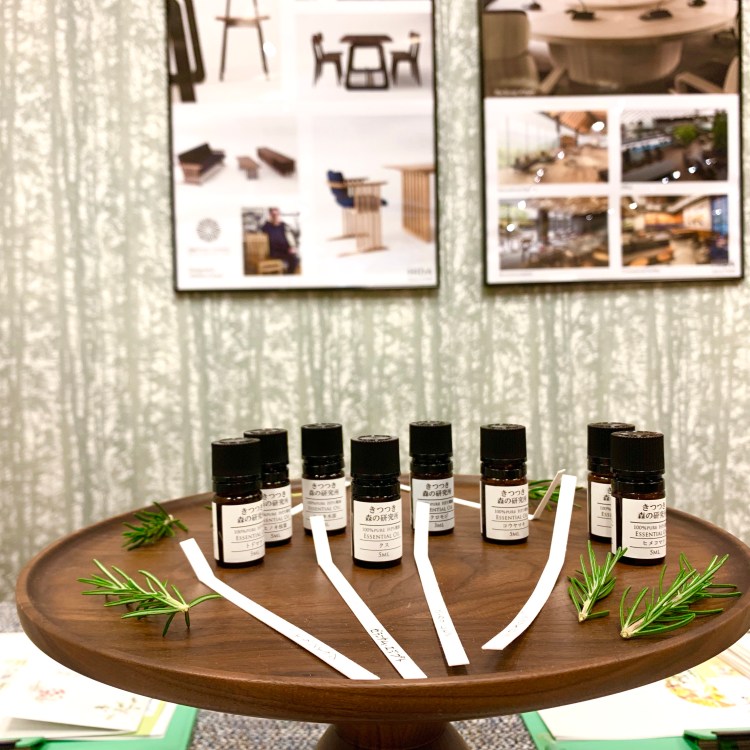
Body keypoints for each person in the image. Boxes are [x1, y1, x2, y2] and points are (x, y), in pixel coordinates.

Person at [260, 207, 299, 274]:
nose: (275, 216)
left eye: (277, 214)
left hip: (285, 249)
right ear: (270, 215)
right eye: (273, 215)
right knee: (291, 259)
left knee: (295, 259)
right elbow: (260, 233)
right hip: (274, 251)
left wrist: (292, 247)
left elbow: (290, 237)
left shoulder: (283, 225)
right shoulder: (266, 226)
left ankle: (288, 274)